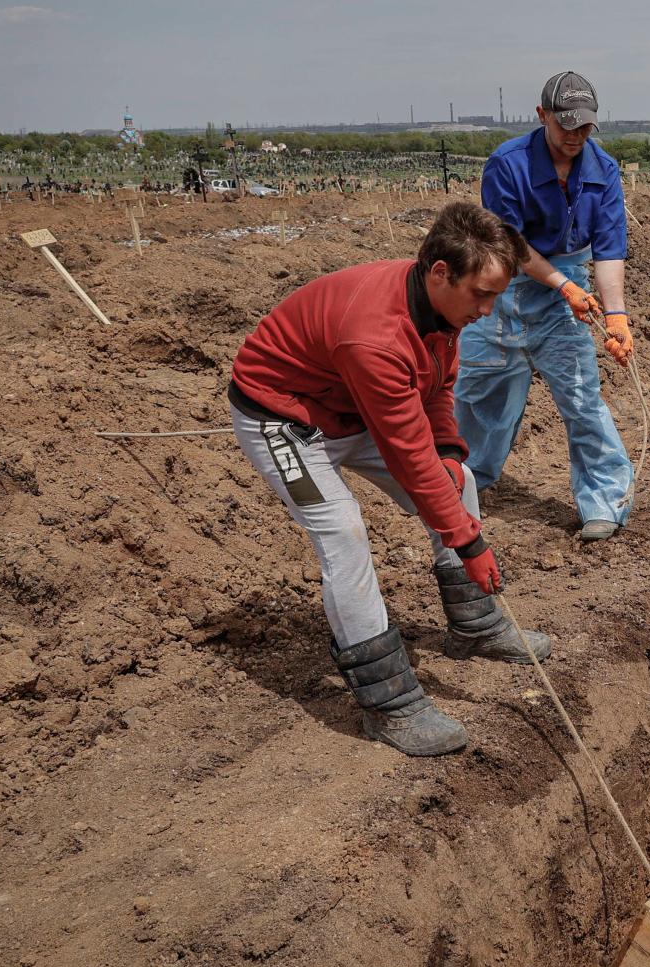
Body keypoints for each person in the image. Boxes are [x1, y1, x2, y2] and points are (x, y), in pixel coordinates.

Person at [227, 203, 554, 757]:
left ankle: (473, 627)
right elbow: (406, 453)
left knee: (460, 481)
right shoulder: (375, 337)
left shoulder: (440, 310)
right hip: (284, 418)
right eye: (481, 294)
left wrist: (450, 451)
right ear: (440, 273)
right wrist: (467, 542)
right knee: (343, 533)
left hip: (354, 405)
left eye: (496, 295)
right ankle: (389, 705)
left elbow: (436, 392)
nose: (488, 310)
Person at [456, 70, 636, 543]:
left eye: (585, 127)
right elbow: (510, 242)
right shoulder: (507, 164)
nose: (575, 136)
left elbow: (610, 248)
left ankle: (604, 499)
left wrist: (615, 313)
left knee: (581, 396)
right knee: (479, 390)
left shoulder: (603, 170)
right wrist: (561, 285)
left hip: (565, 295)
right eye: (566, 125)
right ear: (542, 116)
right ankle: (461, 483)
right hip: (500, 287)